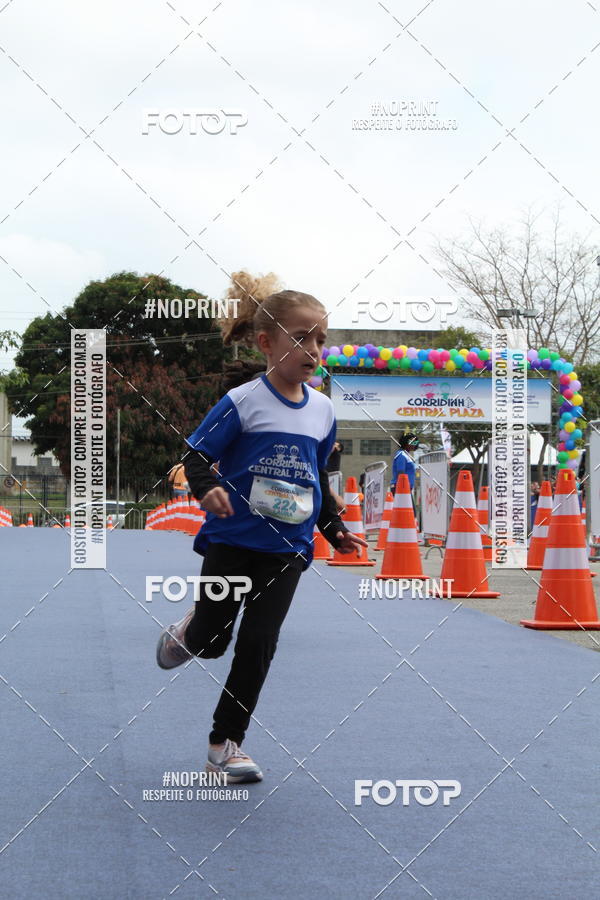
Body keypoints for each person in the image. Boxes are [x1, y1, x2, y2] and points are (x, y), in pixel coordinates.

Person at [155, 289, 368, 783]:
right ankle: (191, 629)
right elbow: (196, 457)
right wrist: (206, 491)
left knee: (259, 642)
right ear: (267, 343)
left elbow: (316, 478)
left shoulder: (322, 410)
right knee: (211, 642)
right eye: (301, 338)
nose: (314, 350)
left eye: (321, 339)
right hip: (232, 541)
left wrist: (335, 530)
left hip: (286, 551)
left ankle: (224, 745)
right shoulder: (242, 401)